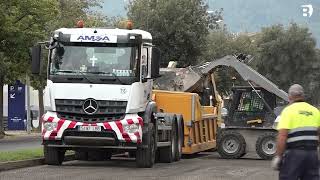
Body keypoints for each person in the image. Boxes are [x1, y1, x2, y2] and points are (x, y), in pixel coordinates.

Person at [271, 84, 320, 180]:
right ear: (303, 96)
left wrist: (278, 156)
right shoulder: (315, 111)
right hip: (312, 154)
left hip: (294, 155)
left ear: (289, 97)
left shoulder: (288, 111)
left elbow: (282, 137)